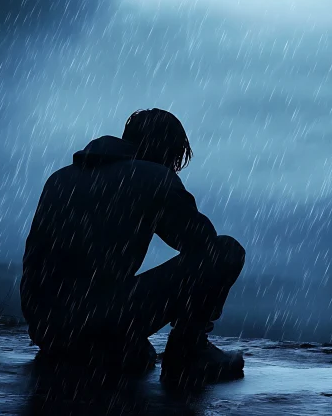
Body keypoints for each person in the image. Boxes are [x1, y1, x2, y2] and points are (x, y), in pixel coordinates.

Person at [20, 108, 246, 386]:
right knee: (226, 251)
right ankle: (189, 352)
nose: (174, 165)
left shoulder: (60, 178)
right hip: (97, 320)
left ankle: (105, 345)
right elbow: (203, 244)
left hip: (47, 327)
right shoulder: (153, 176)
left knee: (132, 350)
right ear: (166, 149)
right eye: (176, 157)